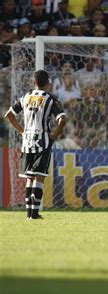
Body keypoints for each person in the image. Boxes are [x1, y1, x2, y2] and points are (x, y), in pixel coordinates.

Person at [4, 70, 67, 219]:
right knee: (39, 177)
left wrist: (21, 131)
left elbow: (9, 115)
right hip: (42, 141)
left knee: (29, 177)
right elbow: (62, 119)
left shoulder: (26, 97)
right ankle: (35, 213)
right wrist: (53, 136)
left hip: (27, 141)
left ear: (34, 82)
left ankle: (29, 214)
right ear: (48, 83)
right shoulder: (50, 99)